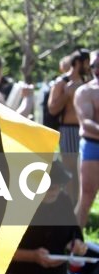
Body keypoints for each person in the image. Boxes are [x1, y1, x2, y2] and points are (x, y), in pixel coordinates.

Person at [48, 48, 90, 202]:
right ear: (78, 62)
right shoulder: (62, 82)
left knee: (83, 172)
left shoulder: (88, 83)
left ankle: (81, 205)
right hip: (69, 130)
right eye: (87, 62)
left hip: (86, 132)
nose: (90, 66)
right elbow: (52, 108)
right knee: (70, 172)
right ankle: (69, 207)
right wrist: (67, 94)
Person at [74, 52, 99, 228]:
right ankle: (74, 241)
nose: (97, 69)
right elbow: (86, 122)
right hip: (92, 146)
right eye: (95, 65)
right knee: (87, 196)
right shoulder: (85, 91)